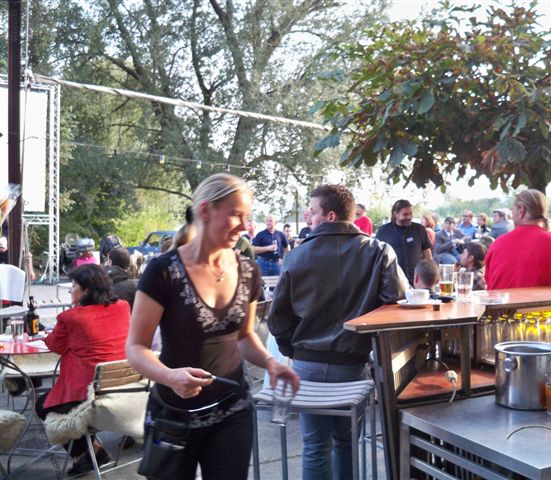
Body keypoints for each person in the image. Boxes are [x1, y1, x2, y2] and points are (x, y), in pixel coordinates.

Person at [126, 174, 298, 480]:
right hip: (173, 415)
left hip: (232, 410)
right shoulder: (163, 270)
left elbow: (244, 337)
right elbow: (135, 348)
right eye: (236, 215)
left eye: (247, 216)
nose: (244, 226)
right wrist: (169, 376)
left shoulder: (248, 270)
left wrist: (270, 362)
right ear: (206, 210)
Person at [268, 184, 408, 480]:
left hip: (308, 363)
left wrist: (292, 348)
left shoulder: (297, 255)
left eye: (312, 212)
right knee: (346, 443)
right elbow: (395, 303)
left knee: (315, 446)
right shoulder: (379, 251)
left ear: (330, 216)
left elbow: (277, 319)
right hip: (352, 364)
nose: (308, 218)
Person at [36, 264, 130, 476]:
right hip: (125, 392)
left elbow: (55, 345)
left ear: (87, 289)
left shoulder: (71, 318)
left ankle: (86, 454)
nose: (70, 289)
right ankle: (94, 451)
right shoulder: (123, 307)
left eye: (74, 284)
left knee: (42, 404)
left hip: (90, 399)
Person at [485, 189, 551, 289]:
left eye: (512, 210)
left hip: (503, 299)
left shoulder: (496, 245)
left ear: (521, 210)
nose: (512, 215)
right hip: (544, 300)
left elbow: (489, 285)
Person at [376, 199, 432, 284]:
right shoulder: (383, 231)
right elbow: (377, 254)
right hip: (393, 279)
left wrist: (429, 271)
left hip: (416, 279)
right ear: (395, 214)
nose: (409, 217)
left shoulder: (419, 229)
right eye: (405, 214)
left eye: (410, 213)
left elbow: (427, 252)